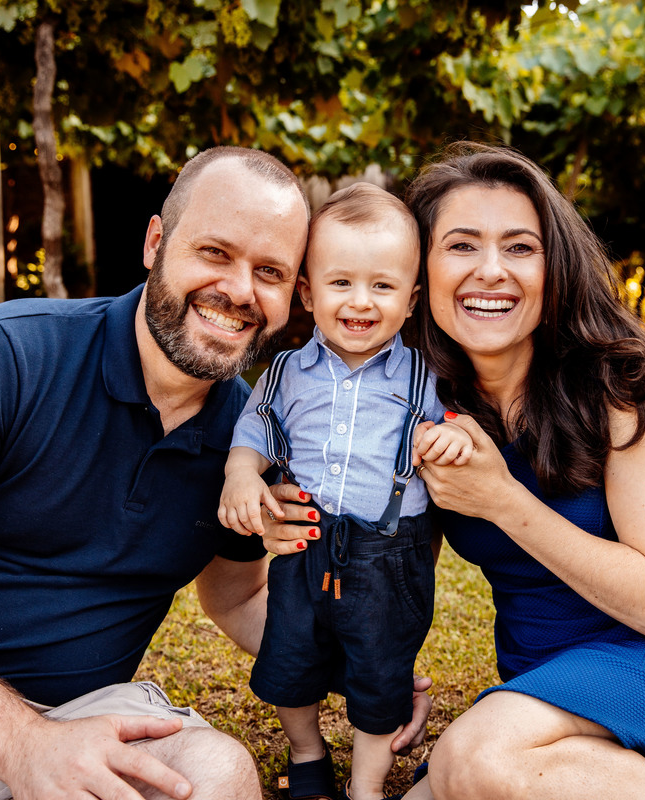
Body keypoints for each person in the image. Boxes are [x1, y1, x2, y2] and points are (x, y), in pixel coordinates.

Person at [0, 146, 427, 800]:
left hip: (70, 720)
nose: (238, 290)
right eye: (214, 253)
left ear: (294, 296)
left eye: (271, 272)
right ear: (155, 244)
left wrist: (370, 670)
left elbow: (237, 596)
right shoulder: (3, 355)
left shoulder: (251, 441)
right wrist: (20, 743)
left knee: (215, 779)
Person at [263, 141, 645, 800]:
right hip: (540, 686)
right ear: (420, 273)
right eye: (462, 246)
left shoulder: (615, 385)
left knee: (474, 756)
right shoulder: (417, 406)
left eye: (520, 247)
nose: (490, 270)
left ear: (553, 268)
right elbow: (386, 563)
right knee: (455, 777)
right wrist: (379, 664)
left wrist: (502, 501)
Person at [218, 183, 471, 800]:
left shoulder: (425, 377)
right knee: (289, 660)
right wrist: (241, 473)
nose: (361, 302)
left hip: (391, 555)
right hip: (306, 548)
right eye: (341, 283)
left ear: (411, 301)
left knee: (381, 675)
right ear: (307, 292)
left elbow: (458, 428)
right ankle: (307, 754)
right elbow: (255, 429)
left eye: (382, 286)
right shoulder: (286, 373)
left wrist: (456, 440)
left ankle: (365, 785)